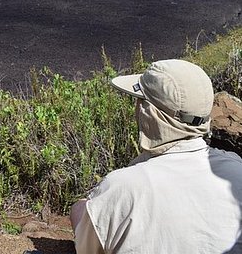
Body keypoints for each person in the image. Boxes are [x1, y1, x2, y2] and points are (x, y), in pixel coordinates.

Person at [71, 59, 242, 253]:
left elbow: (87, 248)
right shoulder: (236, 169)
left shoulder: (121, 188)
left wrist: (81, 209)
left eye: (140, 102)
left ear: (149, 113)